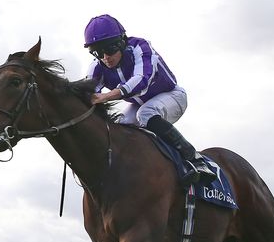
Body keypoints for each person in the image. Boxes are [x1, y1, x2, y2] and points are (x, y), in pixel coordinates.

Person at [83, 14, 217, 186]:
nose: (105, 57)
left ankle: (196, 160)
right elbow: (87, 92)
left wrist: (106, 96)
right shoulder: (97, 66)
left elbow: (141, 80)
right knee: (120, 125)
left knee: (145, 113)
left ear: (122, 41)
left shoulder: (141, 47)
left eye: (109, 49)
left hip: (173, 96)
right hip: (139, 105)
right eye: (98, 52)